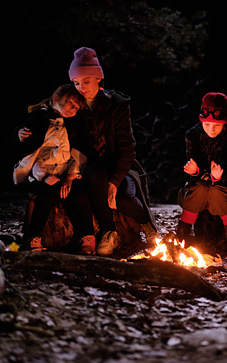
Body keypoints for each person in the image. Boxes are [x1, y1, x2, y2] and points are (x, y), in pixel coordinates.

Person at [68, 46, 158, 256]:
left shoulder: (116, 105)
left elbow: (127, 148)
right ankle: (109, 232)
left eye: (86, 81)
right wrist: (23, 131)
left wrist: (114, 182)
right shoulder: (72, 104)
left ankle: (147, 225)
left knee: (123, 199)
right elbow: (46, 111)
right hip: (87, 168)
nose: (81, 87)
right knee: (85, 188)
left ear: (98, 79)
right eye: (76, 83)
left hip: (116, 166)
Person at [13, 84, 96, 254]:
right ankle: (33, 237)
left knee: (79, 194)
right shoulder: (39, 119)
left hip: (65, 171)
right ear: (57, 98)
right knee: (46, 194)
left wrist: (70, 176)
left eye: (77, 107)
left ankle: (87, 236)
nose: (73, 110)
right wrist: (44, 176)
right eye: (71, 104)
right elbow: (31, 155)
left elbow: (77, 153)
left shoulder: (73, 125)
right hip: (40, 172)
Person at [176, 92, 227, 255]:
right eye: (207, 125)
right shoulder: (193, 135)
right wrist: (194, 171)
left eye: (216, 125)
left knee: (217, 191)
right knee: (199, 190)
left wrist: (219, 175)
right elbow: (191, 163)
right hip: (200, 179)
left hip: (225, 179)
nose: (211, 129)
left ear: (225, 123)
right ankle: (183, 232)